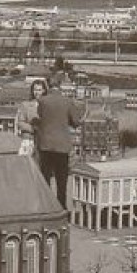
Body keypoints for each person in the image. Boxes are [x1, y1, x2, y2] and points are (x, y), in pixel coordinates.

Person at [33, 72, 85, 207]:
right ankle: (61, 208)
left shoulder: (42, 101)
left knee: (46, 178)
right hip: (62, 146)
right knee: (61, 181)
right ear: (60, 86)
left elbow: (39, 117)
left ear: (49, 85)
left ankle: (46, 206)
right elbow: (75, 122)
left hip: (45, 145)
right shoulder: (67, 101)